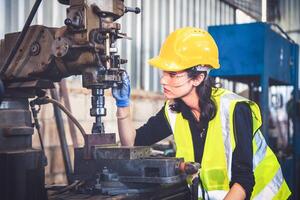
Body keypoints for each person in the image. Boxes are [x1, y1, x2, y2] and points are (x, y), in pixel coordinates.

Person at [112, 27, 291, 200]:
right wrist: (123, 105)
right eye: (164, 72)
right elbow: (133, 143)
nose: (163, 80)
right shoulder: (173, 110)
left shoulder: (236, 109)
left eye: (173, 74)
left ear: (198, 77)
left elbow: (243, 182)